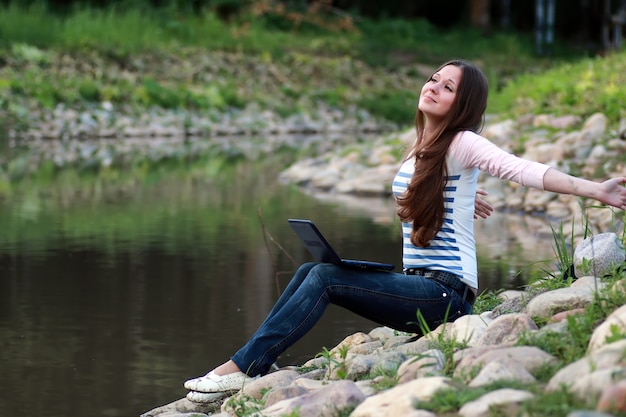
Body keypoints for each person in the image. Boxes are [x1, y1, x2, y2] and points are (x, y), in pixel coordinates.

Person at [183, 59, 626, 401]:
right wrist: (462, 199)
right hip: (421, 287)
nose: (433, 87)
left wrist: (595, 190)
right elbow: (429, 196)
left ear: (462, 105)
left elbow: (521, 169)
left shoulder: (462, 142)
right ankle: (254, 364)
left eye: (447, 87)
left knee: (322, 278)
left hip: (445, 296)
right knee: (308, 271)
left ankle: (241, 369)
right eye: (433, 79)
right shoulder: (423, 149)